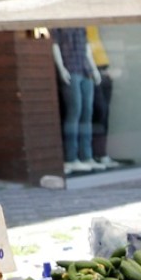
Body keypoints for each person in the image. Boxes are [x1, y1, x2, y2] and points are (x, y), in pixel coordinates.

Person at [50, 27, 102, 175]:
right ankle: (71, 158)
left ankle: (86, 156)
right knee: (75, 111)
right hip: (70, 69)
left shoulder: (81, 26)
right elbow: (55, 46)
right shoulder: (58, 25)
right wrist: (61, 69)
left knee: (87, 113)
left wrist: (93, 69)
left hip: (85, 70)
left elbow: (86, 49)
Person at [86, 26, 116, 167]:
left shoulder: (98, 24)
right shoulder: (80, 22)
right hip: (92, 69)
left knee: (105, 114)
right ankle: (96, 153)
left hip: (104, 67)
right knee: (99, 112)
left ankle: (102, 153)